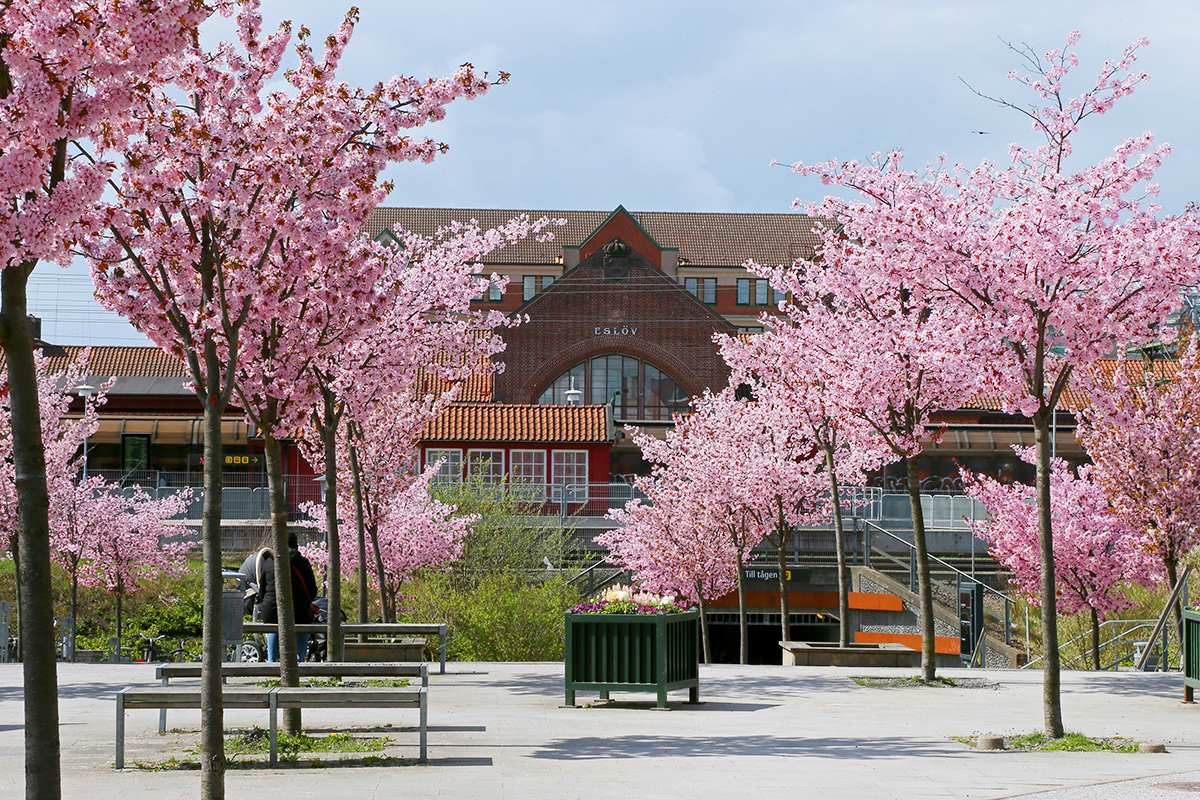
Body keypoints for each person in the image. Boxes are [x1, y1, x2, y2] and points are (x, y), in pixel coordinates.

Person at [254, 532, 319, 662]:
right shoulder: (302, 562)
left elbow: (262, 591)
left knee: (275, 623)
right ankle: (300, 660)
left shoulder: (269, 562)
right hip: (298, 610)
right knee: (303, 623)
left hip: (272, 610)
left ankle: (271, 661)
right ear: (296, 546)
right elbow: (312, 590)